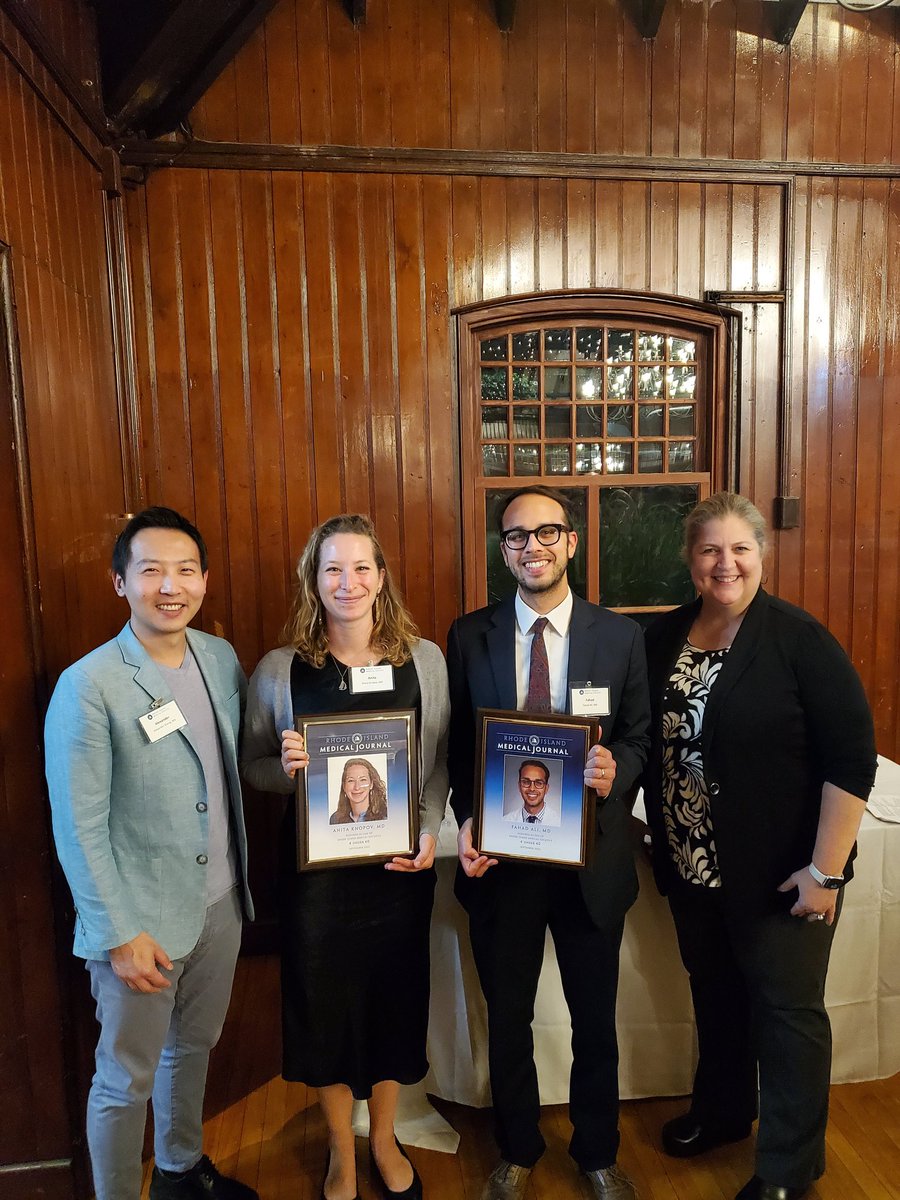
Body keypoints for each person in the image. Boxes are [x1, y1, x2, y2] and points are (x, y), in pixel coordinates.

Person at [641, 492, 877, 1200]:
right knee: (716, 997)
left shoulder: (799, 639)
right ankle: (722, 1112)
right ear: (690, 559)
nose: (725, 563)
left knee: (786, 1014)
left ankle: (788, 1166)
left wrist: (825, 874)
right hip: (691, 864)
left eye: (739, 549)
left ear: (761, 556)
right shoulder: (665, 638)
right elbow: (644, 740)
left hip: (784, 873)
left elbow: (851, 759)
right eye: (710, 549)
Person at [44, 507, 256, 1200]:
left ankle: (178, 1170)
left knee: (193, 1049)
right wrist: (115, 933)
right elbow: (79, 825)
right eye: (152, 571)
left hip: (221, 905)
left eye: (186, 570)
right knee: (124, 1077)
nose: (172, 586)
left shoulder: (219, 658)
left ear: (204, 580)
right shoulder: (89, 684)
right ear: (120, 582)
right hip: (139, 924)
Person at [447, 485, 650, 1200]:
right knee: (509, 1016)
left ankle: (597, 1150)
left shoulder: (620, 637)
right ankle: (518, 1146)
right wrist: (466, 821)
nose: (531, 547)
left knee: (596, 1015)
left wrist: (615, 770)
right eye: (515, 537)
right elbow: (456, 751)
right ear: (503, 551)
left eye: (545, 533)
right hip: (503, 861)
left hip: (590, 861)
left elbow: (640, 736)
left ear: (571, 541)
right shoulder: (467, 635)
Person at [241, 513, 449, 1200]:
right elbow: (254, 767)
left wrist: (425, 828)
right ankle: (341, 1151)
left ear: (381, 577)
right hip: (315, 884)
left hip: (396, 875)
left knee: (392, 1005)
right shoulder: (280, 669)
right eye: (333, 568)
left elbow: (438, 761)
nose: (348, 582)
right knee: (324, 1012)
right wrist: (288, 766)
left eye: (362, 567)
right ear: (314, 579)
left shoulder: (423, 659)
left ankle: (383, 1137)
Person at [330, 757, 388, 824]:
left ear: (371, 784)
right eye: (351, 780)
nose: (357, 787)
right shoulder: (335, 819)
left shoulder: (386, 816)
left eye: (363, 780)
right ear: (344, 786)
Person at [503, 760, 560, 826]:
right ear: (519, 786)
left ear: (546, 788)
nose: (532, 789)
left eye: (539, 783)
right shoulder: (505, 821)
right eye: (526, 782)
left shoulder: (559, 822)